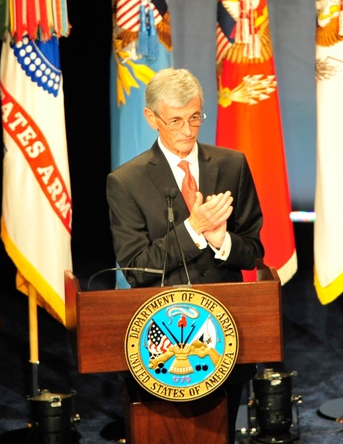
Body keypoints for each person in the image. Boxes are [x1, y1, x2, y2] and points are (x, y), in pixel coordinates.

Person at [106, 67, 265, 442]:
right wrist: (194, 230)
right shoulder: (126, 182)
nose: (188, 130)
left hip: (226, 335)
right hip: (161, 343)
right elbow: (137, 269)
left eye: (195, 117)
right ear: (151, 119)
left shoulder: (232, 165)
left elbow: (254, 251)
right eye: (175, 120)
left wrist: (222, 241)